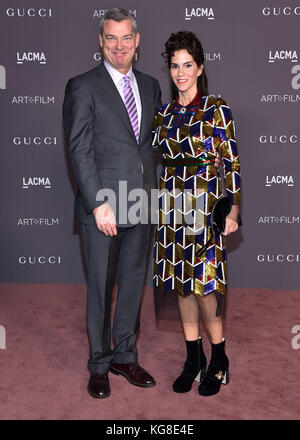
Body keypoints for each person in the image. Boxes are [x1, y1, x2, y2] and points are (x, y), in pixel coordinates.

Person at [63, 8, 162, 399]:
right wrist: (97, 203)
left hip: (141, 201)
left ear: (137, 42)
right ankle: (100, 364)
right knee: (102, 290)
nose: (119, 47)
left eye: (126, 39)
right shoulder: (82, 86)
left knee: (134, 285)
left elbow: (151, 147)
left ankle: (125, 355)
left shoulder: (152, 86)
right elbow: (79, 149)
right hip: (104, 206)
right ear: (100, 42)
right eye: (111, 39)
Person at [152, 31, 241, 396]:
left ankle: (219, 357)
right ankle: (194, 358)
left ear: (200, 67)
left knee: (205, 286)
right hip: (172, 207)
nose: (180, 72)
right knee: (181, 287)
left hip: (206, 208)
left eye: (187, 64)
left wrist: (233, 208)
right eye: (174, 65)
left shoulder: (217, 108)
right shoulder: (164, 114)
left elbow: (232, 162)